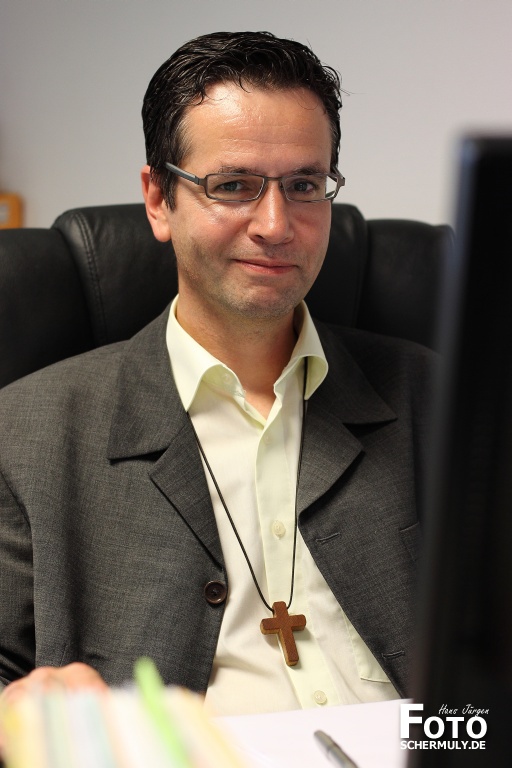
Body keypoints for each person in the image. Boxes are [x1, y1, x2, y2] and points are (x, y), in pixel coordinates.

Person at [0, 31, 434, 716]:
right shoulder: (27, 433)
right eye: (233, 186)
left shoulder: (440, 400)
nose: (276, 225)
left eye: (304, 186)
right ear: (158, 199)